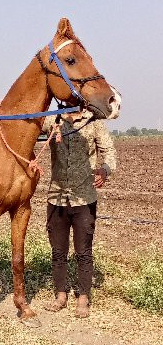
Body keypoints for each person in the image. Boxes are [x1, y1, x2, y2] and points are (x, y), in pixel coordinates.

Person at [41, 108, 117, 318]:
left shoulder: (93, 121)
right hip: (56, 197)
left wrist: (105, 170)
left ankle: (83, 297)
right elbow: (27, 128)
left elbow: (109, 152)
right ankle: (60, 295)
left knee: (83, 252)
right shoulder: (54, 119)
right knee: (58, 251)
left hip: (84, 198)